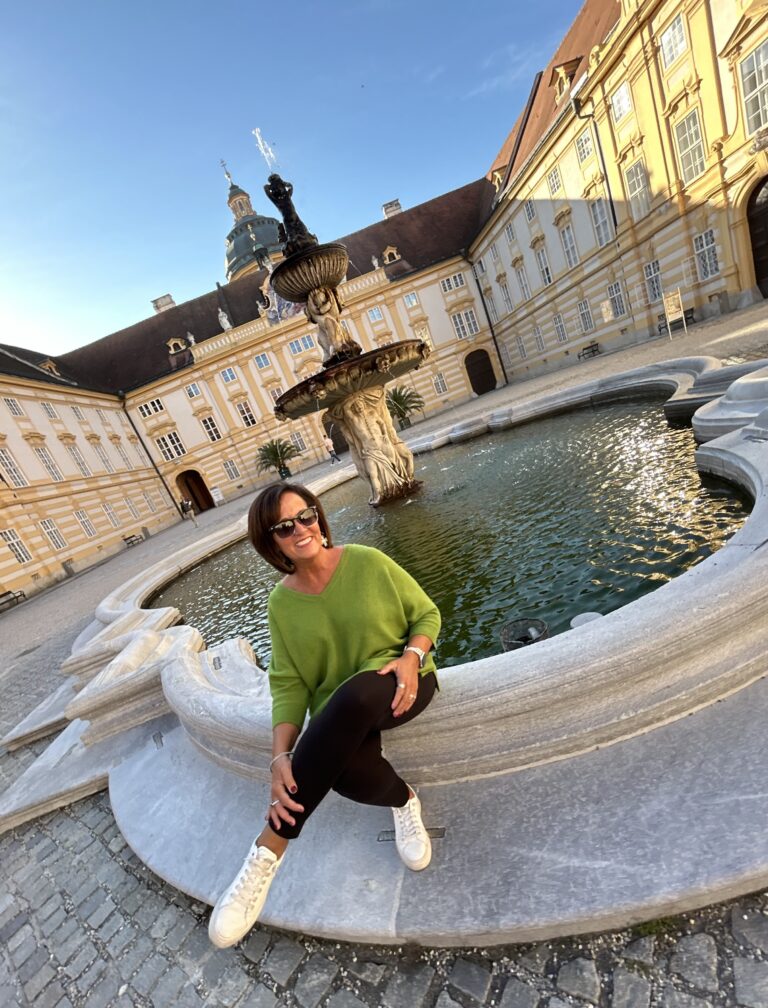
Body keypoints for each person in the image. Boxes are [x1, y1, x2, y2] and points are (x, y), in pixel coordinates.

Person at [208, 482, 440, 948]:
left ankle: (269, 848)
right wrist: (279, 757)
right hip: (343, 710)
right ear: (271, 543)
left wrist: (412, 657)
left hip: (401, 683)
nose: (301, 529)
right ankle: (404, 800)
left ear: (318, 517)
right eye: (284, 527)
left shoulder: (368, 561)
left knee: (357, 695)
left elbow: (427, 615)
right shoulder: (281, 605)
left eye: (306, 515)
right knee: (347, 774)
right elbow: (289, 683)